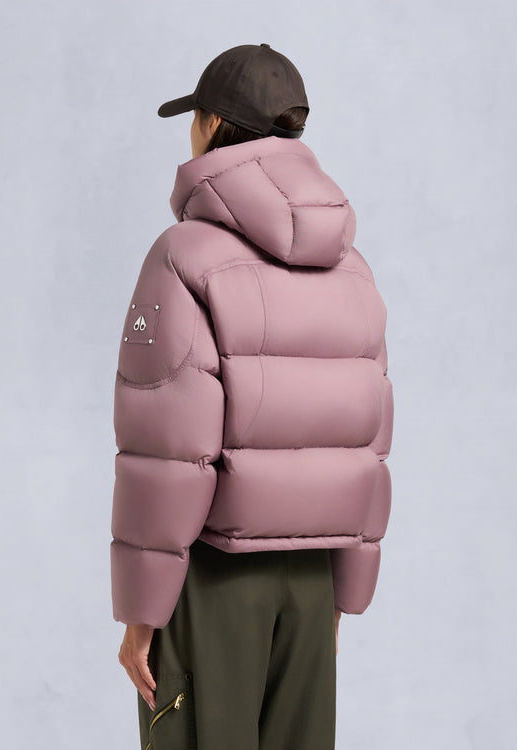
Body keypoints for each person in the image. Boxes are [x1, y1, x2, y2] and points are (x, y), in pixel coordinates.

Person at [111, 43, 394, 750]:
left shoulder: (182, 256)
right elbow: (369, 440)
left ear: (210, 124)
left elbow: (169, 451)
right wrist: (342, 595)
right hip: (312, 581)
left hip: (214, 580)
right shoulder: (352, 268)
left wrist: (143, 613)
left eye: (194, 119)